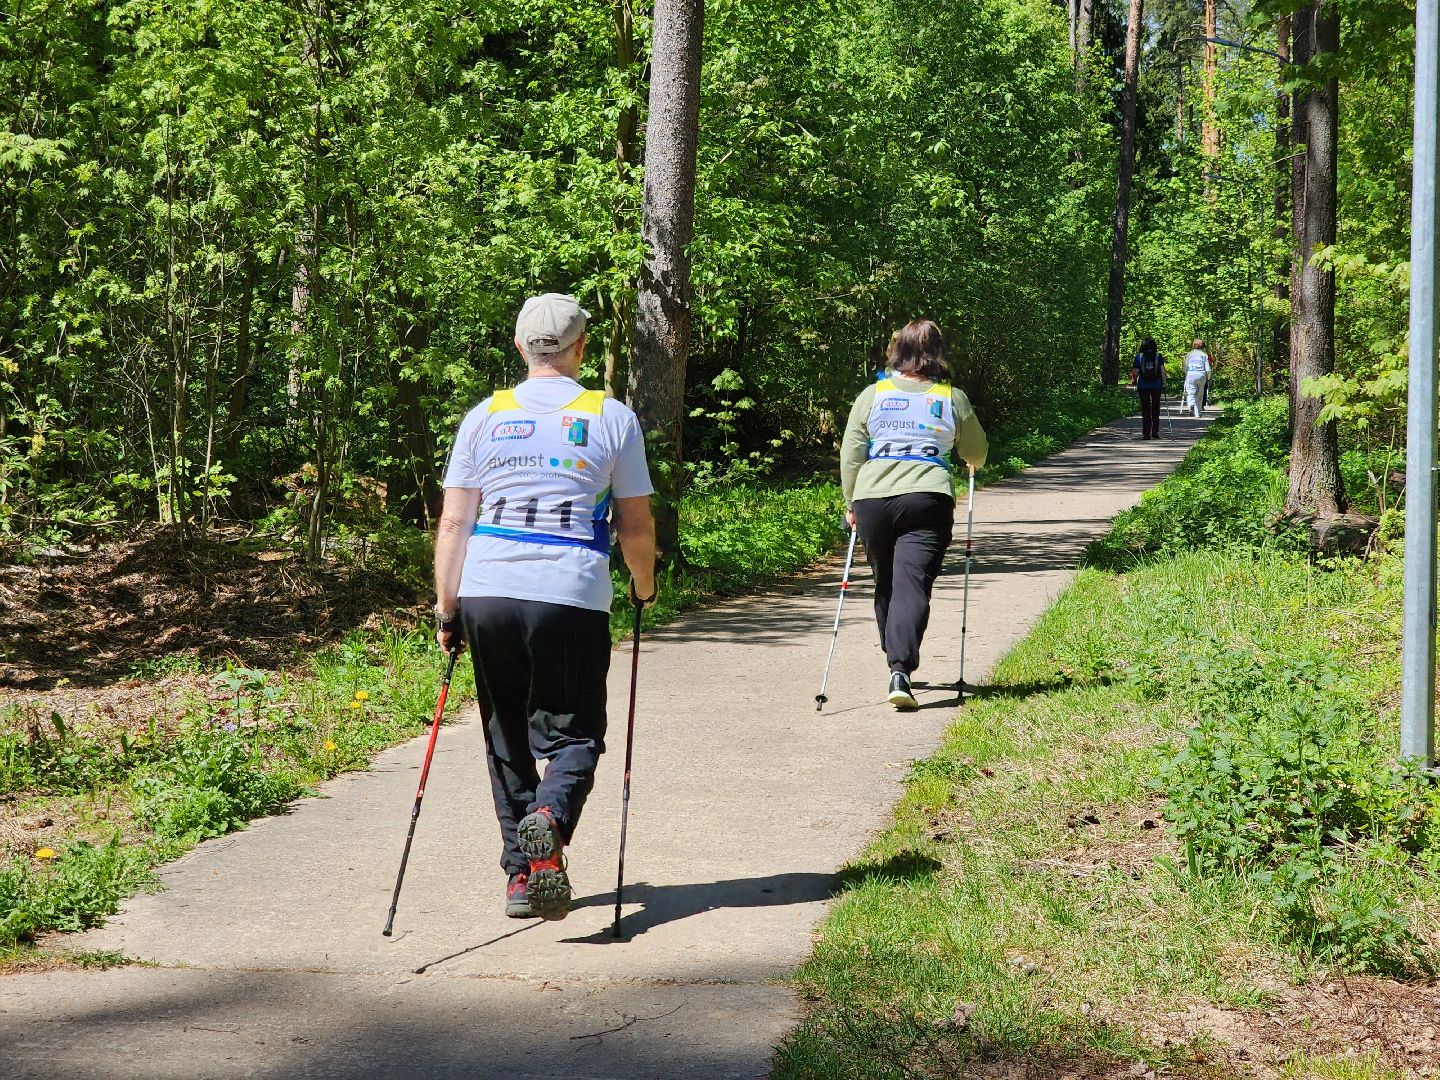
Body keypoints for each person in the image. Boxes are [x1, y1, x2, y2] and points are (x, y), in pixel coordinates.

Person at [433, 293, 657, 922]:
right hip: (570, 593)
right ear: (581, 348)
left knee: (506, 733)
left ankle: (523, 874)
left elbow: (454, 523)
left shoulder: (484, 416)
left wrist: (448, 609)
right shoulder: (611, 417)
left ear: (520, 347)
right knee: (576, 731)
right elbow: (634, 528)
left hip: (489, 589)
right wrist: (644, 586)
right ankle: (548, 820)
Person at [841, 319, 987, 710]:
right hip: (927, 498)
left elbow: (852, 454)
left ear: (897, 352)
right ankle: (900, 667)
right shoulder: (950, 397)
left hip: (873, 498)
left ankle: (896, 663)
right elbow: (976, 452)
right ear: (937, 352)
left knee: (886, 582)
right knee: (912, 584)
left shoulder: (872, 395)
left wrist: (851, 503)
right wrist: (968, 458)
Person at [1131, 337, 1166, 439]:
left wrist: (1133, 381)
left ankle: (1146, 433)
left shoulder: (1139, 357)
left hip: (1143, 386)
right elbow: (1162, 371)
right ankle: (1155, 431)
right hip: (1157, 385)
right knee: (1156, 408)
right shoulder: (1158, 356)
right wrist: (1164, 384)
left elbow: (1135, 372)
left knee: (1145, 409)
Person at [1182, 337, 1212, 418]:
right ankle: (1198, 413)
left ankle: (1191, 405)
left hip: (1191, 374)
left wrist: (1186, 374)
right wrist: (1208, 378)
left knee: (1190, 392)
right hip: (1201, 375)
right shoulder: (1204, 355)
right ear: (1202, 346)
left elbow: (1185, 366)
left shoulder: (1189, 354)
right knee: (1200, 395)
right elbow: (1208, 369)